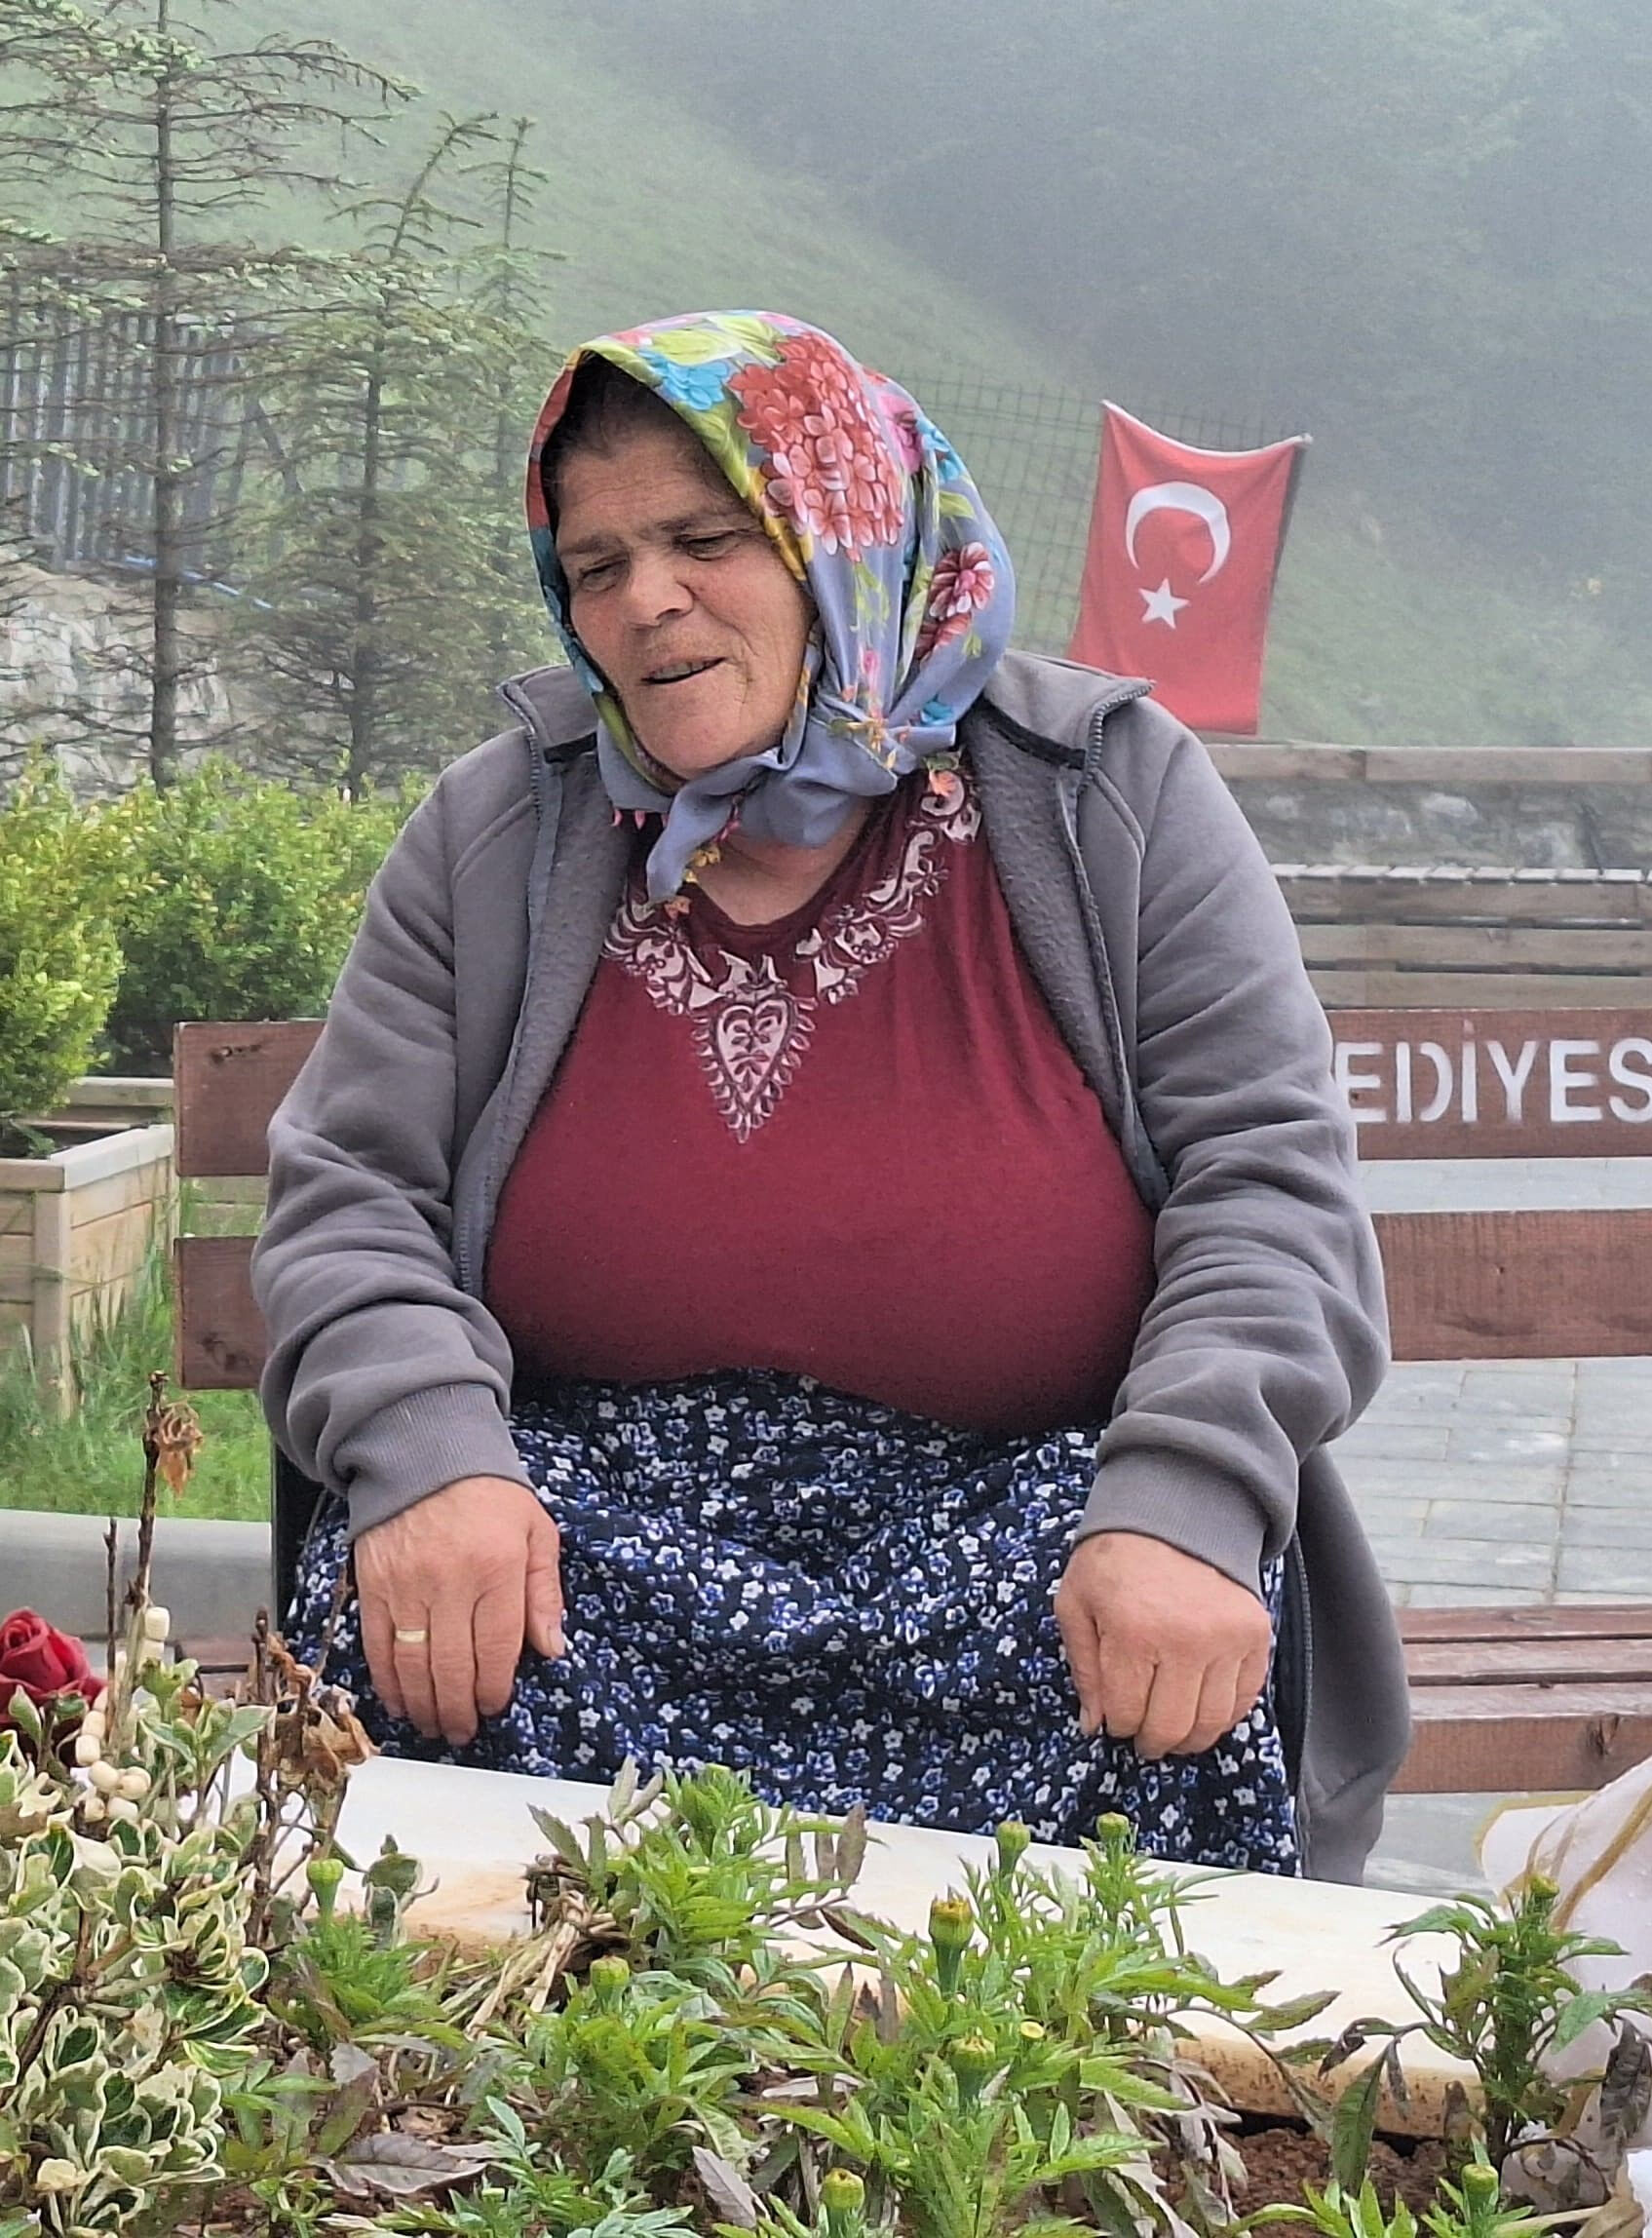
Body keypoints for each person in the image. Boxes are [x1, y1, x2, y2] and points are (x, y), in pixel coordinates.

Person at [252, 311, 1404, 1877]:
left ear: (843, 536)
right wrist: (430, 1450)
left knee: (1163, 1652)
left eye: (704, 537)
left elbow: (1270, 1184)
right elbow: (351, 1194)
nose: (645, 599)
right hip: (591, 1545)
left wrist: (1187, 1493)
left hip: (1031, 1540)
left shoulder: (1100, 796)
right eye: (596, 566)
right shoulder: (504, 827)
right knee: (413, 1597)